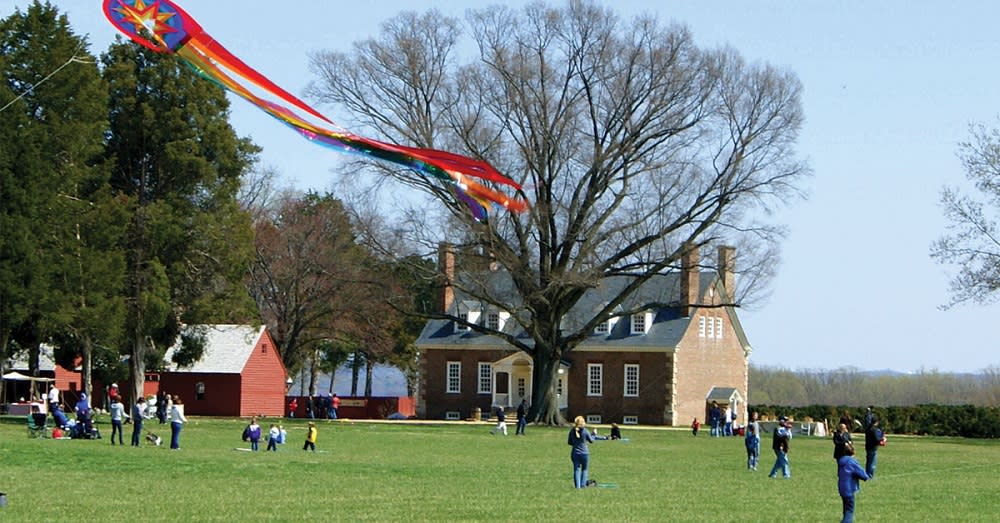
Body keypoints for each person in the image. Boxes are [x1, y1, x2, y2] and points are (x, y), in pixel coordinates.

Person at [567, 416, 607, 488]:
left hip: (575, 453)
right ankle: (583, 485)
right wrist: (594, 434)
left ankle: (577, 487)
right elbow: (591, 440)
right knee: (584, 469)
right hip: (584, 453)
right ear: (583, 423)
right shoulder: (585, 431)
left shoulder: (572, 431)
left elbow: (570, 442)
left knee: (576, 470)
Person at [837, 441, 870, 523]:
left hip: (842, 488)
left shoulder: (841, 461)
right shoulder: (852, 462)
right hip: (849, 489)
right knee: (849, 511)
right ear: (853, 452)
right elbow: (862, 474)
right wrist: (866, 477)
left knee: (846, 509)